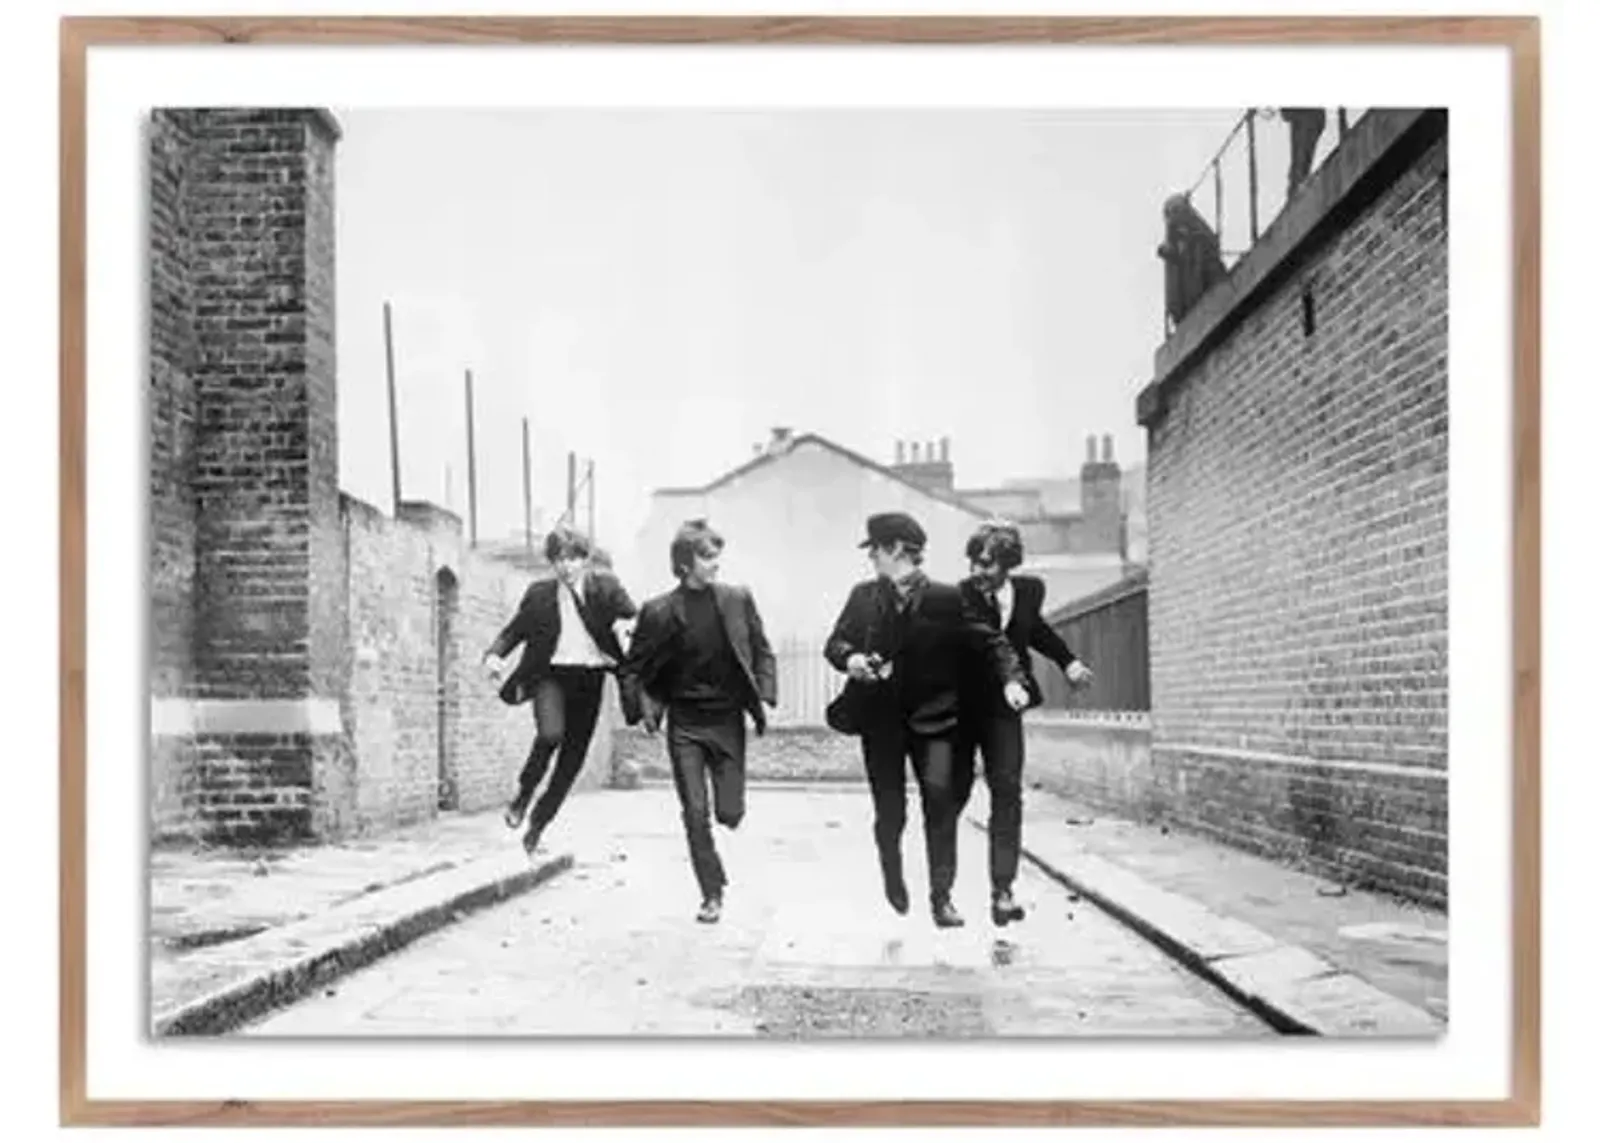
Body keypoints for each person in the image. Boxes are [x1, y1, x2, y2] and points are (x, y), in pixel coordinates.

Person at [824, 512, 1028, 929]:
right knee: (891, 811)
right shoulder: (863, 597)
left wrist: (1012, 680)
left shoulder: (946, 598)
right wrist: (853, 659)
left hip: (935, 727)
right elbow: (835, 643)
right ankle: (892, 869)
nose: (872, 558)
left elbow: (993, 642)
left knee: (939, 803)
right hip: (880, 726)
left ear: (898, 550)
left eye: (876, 550)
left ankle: (942, 898)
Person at [620, 519, 777, 924]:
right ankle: (711, 893)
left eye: (716, 556)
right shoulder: (658, 611)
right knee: (694, 812)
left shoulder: (737, 598)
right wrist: (641, 711)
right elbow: (632, 667)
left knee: (730, 813)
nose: (715, 564)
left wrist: (764, 691)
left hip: (727, 721)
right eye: (707, 557)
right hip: (685, 725)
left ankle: (726, 835)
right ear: (685, 564)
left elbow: (762, 649)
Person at [956, 521, 1094, 927]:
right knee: (950, 793)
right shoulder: (961, 596)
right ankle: (941, 888)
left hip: (1004, 712)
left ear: (1007, 564)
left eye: (985, 564)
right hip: (964, 707)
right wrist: (1009, 679)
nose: (977, 572)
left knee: (1007, 794)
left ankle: (1002, 890)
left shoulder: (1029, 591)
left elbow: (1036, 631)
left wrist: (1068, 661)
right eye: (973, 563)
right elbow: (982, 643)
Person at [482, 527, 637, 857]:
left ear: (585, 559)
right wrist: (495, 655)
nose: (566, 566)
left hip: (590, 679)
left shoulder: (605, 588)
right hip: (550, 676)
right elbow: (514, 631)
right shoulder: (539, 593)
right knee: (550, 734)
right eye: (559, 559)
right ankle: (523, 795)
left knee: (570, 764)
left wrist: (626, 630)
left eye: (573, 558)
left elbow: (630, 617)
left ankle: (538, 824)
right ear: (552, 562)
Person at [1156, 193, 1228, 332]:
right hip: (1185, 311)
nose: (1171, 218)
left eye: (1175, 211)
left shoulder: (1201, 238)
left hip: (1207, 297)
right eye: (1168, 214)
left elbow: (1212, 266)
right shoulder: (1172, 246)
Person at [1280, 107, 1328, 196]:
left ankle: (1296, 192)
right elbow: (1286, 114)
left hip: (1309, 117)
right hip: (1307, 118)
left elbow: (1286, 114)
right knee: (1299, 169)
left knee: (1299, 169)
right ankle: (1296, 191)